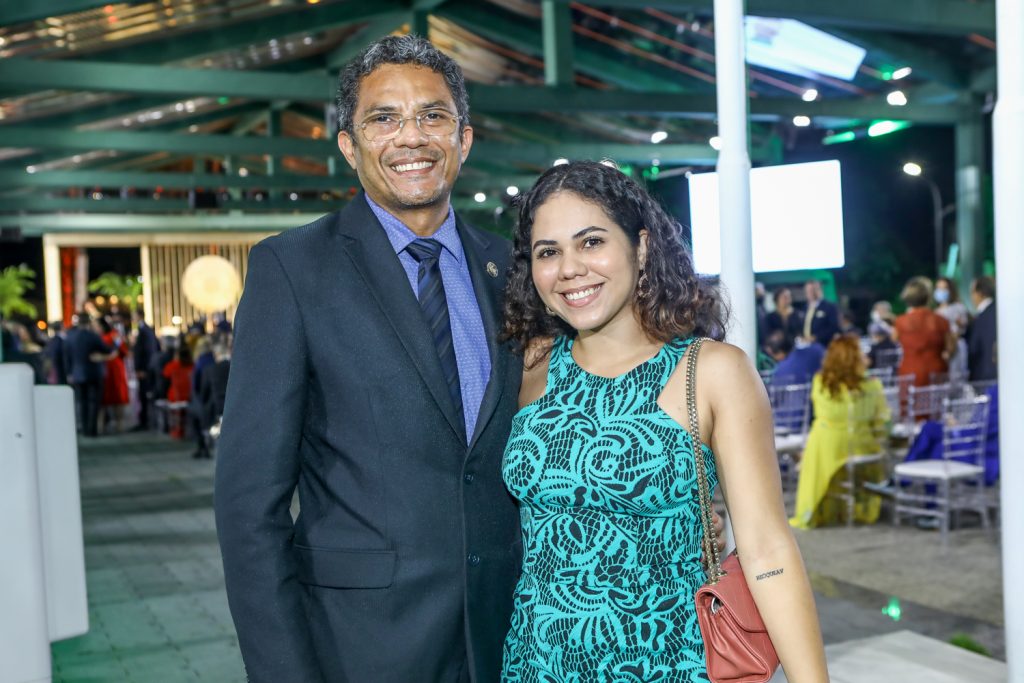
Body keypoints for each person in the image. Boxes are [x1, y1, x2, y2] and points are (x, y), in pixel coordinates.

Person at [213, 35, 524, 683]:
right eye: (384, 118)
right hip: (361, 647)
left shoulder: (511, 269)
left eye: (432, 116)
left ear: (464, 139)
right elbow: (249, 508)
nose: (411, 137)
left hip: (510, 637)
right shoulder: (292, 269)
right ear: (350, 147)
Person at [499, 161, 828, 682]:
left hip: (668, 664)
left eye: (591, 242)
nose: (569, 268)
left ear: (642, 247)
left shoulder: (712, 371)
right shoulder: (531, 366)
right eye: (548, 252)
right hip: (536, 665)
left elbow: (768, 550)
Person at [790, 335, 890, 529]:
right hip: (863, 446)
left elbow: (820, 413)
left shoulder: (820, 383)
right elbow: (881, 420)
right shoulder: (872, 385)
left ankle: (812, 510)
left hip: (829, 446)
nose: (866, 357)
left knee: (816, 441)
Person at [893, 276, 955, 386]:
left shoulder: (900, 322)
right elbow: (950, 348)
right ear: (928, 296)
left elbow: (894, 339)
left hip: (909, 374)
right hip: (936, 374)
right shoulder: (941, 321)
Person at [64, 313, 111, 437]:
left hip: (77, 373)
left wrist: (69, 372)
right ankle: (92, 429)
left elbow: (66, 356)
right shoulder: (93, 336)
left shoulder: (70, 337)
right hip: (94, 372)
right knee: (94, 402)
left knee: (82, 402)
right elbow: (106, 349)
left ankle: (84, 428)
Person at [97, 317, 130, 433]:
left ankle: (119, 424)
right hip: (104, 368)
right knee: (104, 397)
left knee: (117, 395)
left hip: (115, 369)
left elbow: (123, 350)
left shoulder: (114, 335)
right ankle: (102, 425)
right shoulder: (97, 336)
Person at [131, 308, 160, 430]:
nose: (132, 318)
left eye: (134, 315)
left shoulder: (144, 331)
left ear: (139, 316)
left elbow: (147, 351)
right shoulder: (145, 329)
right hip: (146, 368)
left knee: (144, 394)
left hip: (145, 369)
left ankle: (145, 422)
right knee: (143, 394)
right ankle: (145, 420)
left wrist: (143, 369)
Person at [967, 275, 997, 381]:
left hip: (985, 378)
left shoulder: (980, 318)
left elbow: (973, 349)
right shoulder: (1000, 311)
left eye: (972, 293)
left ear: (979, 293)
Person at [800, 279, 840, 345]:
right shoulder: (805, 308)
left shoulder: (829, 307)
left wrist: (816, 337)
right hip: (806, 344)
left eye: (812, 290)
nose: (810, 293)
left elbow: (833, 327)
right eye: (808, 291)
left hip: (823, 344)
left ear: (819, 290)